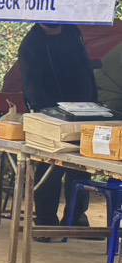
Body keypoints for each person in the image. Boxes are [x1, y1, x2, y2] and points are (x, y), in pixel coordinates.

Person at [19, 23, 97, 231]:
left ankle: (76, 217)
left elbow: (86, 70)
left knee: (81, 168)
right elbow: (32, 84)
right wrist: (46, 112)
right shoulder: (32, 43)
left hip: (83, 112)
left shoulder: (73, 34)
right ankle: (45, 221)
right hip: (50, 115)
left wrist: (92, 102)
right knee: (49, 168)